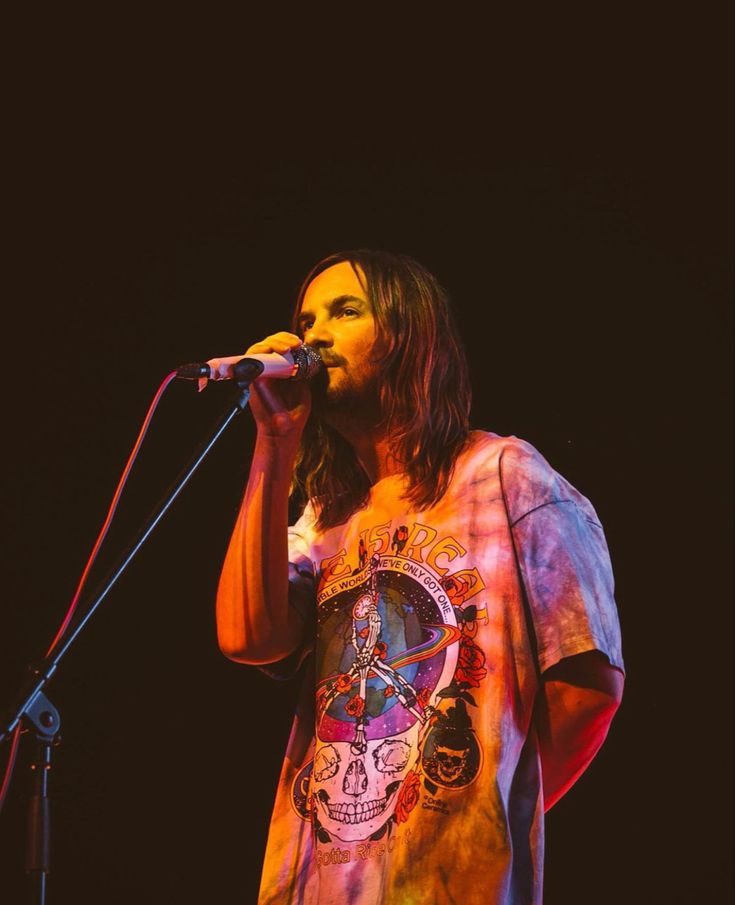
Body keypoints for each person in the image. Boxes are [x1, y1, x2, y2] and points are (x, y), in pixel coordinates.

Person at [216, 249, 625, 905]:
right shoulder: (322, 517)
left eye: (345, 311)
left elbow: (586, 686)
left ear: (411, 335)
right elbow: (247, 636)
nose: (313, 334)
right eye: (306, 316)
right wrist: (274, 442)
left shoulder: (504, 475)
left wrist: (482, 812)